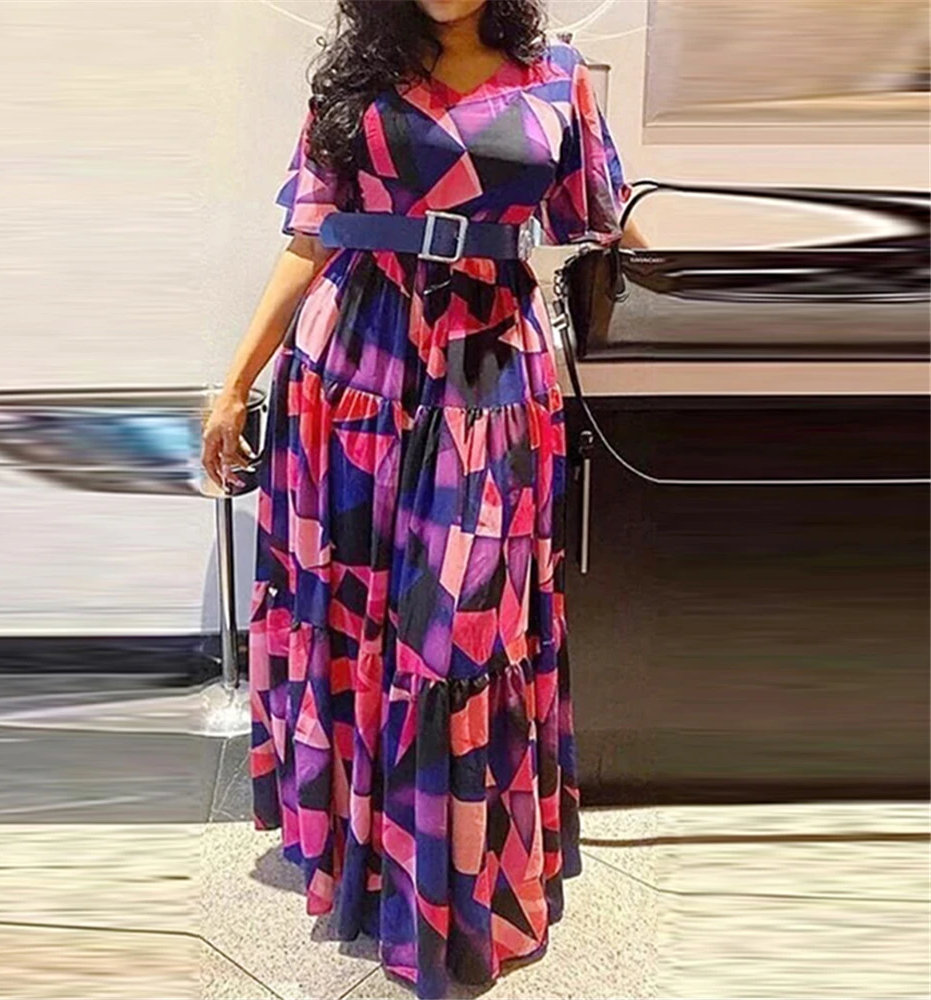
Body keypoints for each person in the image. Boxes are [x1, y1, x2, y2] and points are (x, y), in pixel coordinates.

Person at [202, 2, 645, 996]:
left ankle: (454, 890)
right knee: (354, 607)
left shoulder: (558, 77)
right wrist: (234, 385)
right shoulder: (355, 78)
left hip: (488, 369)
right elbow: (308, 237)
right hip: (353, 368)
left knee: (463, 628)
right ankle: (365, 865)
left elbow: (602, 222)